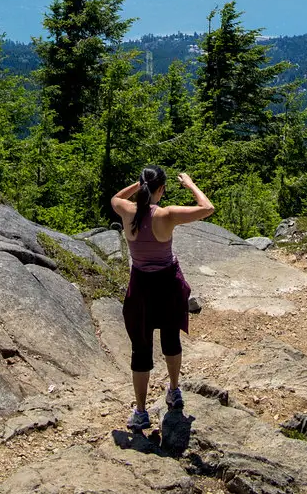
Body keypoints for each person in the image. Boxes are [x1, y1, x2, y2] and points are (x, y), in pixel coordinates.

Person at [110, 166, 216, 431]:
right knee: (171, 339)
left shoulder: (127, 210)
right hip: (167, 283)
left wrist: (138, 186)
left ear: (142, 186)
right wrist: (190, 184)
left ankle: (141, 412)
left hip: (141, 287)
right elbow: (207, 208)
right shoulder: (166, 215)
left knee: (141, 349)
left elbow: (115, 198)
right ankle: (174, 389)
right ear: (161, 189)